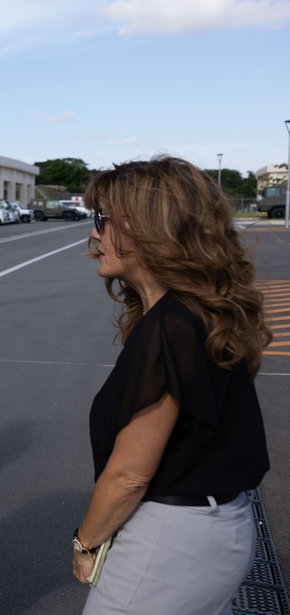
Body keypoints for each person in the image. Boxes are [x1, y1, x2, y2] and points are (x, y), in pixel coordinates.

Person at [71, 156, 270, 613]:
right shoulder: (200, 314)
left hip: (174, 538)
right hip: (217, 527)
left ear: (146, 229)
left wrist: (85, 542)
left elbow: (129, 474)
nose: (95, 234)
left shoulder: (169, 327)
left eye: (103, 221)